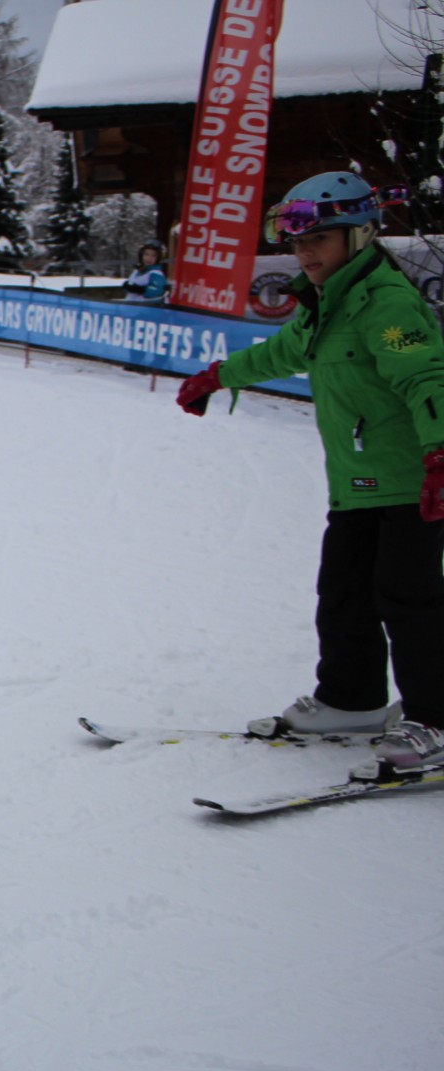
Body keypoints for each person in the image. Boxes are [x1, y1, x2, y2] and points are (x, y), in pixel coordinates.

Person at [176, 172, 444, 774]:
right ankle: (352, 700)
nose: (305, 253)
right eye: (297, 242)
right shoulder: (328, 302)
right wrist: (220, 375)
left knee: (410, 598)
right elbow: (284, 351)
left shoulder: (385, 302)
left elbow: (427, 378)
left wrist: (440, 454)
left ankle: (436, 717)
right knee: (343, 593)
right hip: (357, 483)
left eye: (319, 239)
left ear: (361, 235)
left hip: (412, 480)